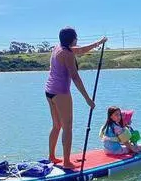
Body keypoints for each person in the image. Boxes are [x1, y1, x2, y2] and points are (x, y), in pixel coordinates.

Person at [45, 28, 107, 169]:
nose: (77, 40)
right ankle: (66, 162)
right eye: (76, 38)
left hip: (49, 91)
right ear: (72, 39)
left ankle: (52, 157)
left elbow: (80, 50)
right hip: (60, 92)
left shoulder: (58, 47)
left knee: (57, 125)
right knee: (67, 127)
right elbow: (75, 77)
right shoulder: (66, 54)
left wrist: (99, 42)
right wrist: (87, 99)